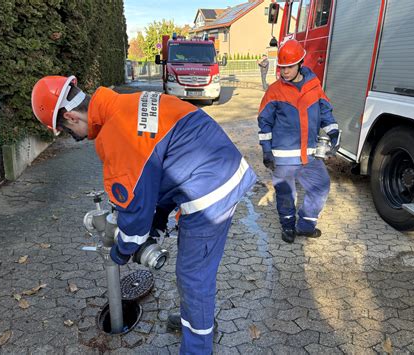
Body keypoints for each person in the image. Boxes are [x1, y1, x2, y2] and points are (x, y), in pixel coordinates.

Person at [31, 76, 256, 354]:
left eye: (65, 131)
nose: (72, 138)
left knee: (193, 277)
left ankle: (197, 344)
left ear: (71, 116)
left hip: (211, 189)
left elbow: (135, 221)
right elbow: (158, 169)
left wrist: (122, 250)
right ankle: (195, 321)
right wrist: (157, 223)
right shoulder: (124, 104)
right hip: (214, 166)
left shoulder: (117, 135)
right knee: (193, 276)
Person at [257, 39, 340, 244]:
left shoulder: (314, 86)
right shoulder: (275, 91)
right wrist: (267, 151)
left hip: (309, 155)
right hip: (283, 156)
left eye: (289, 67)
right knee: (285, 193)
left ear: (300, 64)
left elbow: (325, 112)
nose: (284, 71)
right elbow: (264, 122)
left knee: (321, 186)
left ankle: (305, 226)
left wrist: (334, 132)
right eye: (282, 67)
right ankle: (287, 227)